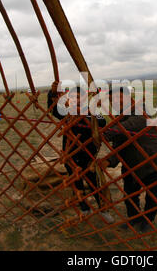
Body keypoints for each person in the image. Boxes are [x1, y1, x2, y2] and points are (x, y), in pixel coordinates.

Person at [99, 86, 157, 233]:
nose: (116, 101)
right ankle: (133, 218)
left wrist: (104, 133)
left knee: (154, 195)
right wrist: (109, 161)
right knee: (129, 195)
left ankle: (148, 220)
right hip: (130, 165)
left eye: (119, 96)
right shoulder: (118, 120)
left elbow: (131, 125)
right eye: (112, 99)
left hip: (152, 162)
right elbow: (119, 146)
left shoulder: (140, 110)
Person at [47, 81, 114, 223]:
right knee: (76, 184)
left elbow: (102, 123)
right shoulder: (66, 114)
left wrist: (85, 115)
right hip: (71, 156)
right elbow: (52, 109)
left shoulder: (92, 112)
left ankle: (103, 210)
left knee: (94, 184)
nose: (76, 100)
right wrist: (52, 93)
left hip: (87, 157)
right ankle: (84, 208)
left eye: (79, 97)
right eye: (73, 97)